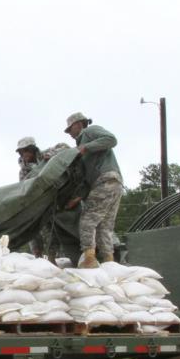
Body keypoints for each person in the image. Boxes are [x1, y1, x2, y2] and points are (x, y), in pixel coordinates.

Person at [63, 112, 123, 268]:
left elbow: (111, 139)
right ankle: (109, 261)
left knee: (87, 221)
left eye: (70, 129)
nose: (69, 134)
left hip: (105, 180)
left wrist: (86, 147)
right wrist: (78, 197)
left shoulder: (90, 132)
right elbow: (86, 179)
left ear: (78, 124)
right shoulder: (81, 149)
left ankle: (89, 259)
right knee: (105, 226)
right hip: (113, 183)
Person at [15, 137, 45, 256]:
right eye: (21, 152)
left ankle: (52, 255)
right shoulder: (24, 171)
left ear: (33, 150)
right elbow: (23, 189)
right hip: (36, 201)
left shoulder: (46, 158)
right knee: (31, 226)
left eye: (27, 150)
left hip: (54, 198)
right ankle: (38, 254)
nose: (24, 154)